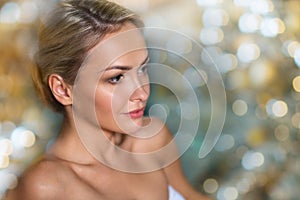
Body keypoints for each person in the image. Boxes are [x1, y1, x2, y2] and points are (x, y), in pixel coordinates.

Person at [5, 0, 210, 199]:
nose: (142, 92)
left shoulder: (151, 141)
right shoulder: (44, 187)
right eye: (116, 78)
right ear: (63, 90)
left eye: (143, 69)